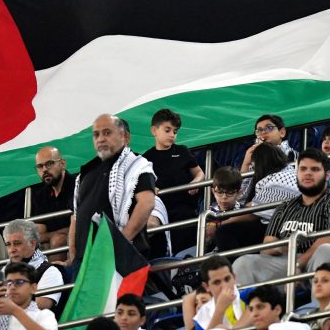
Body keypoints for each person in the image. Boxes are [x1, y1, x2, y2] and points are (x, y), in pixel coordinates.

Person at [232, 148, 330, 284]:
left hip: (322, 260)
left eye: (314, 169)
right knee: (244, 263)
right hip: (289, 260)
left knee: (326, 250)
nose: (307, 173)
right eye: (303, 169)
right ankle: (251, 304)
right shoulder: (285, 207)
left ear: (327, 175)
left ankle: (321, 304)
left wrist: (298, 264)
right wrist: (276, 248)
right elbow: (268, 245)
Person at [69, 115, 156, 262]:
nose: (100, 139)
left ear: (124, 136)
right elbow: (76, 216)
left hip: (120, 256)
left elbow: (146, 203)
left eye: (107, 133)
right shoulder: (85, 172)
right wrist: (73, 252)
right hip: (85, 260)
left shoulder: (137, 165)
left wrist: (121, 243)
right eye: (96, 134)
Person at [142, 109, 204, 255]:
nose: (172, 135)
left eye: (175, 131)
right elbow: (142, 184)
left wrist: (194, 183)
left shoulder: (182, 151)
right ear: (154, 130)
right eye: (167, 130)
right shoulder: (145, 159)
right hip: (162, 215)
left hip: (185, 213)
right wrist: (152, 187)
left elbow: (200, 173)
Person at [2, 220, 64, 310]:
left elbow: (39, 309)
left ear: (32, 243)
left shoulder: (50, 272)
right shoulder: (4, 270)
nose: (12, 249)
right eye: (8, 244)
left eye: (17, 243)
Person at [0, 263, 58, 330]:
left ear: (33, 288)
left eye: (19, 282)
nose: (12, 287)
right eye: (9, 282)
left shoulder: (44, 315)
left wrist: (15, 311)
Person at [29, 147, 74, 256]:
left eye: (49, 164)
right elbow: (39, 235)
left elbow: (80, 226)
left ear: (62, 164)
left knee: (58, 240)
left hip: (81, 243)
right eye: (40, 166)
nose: (44, 170)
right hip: (53, 246)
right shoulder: (41, 194)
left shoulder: (78, 185)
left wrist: (55, 236)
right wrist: (56, 234)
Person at [182, 256, 246, 330]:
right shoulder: (201, 319)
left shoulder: (248, 296)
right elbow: (187, 299)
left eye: (227, 279)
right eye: (217, 282)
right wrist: (220, 308)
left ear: (234, 278)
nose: (224, 286)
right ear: (206, 286)